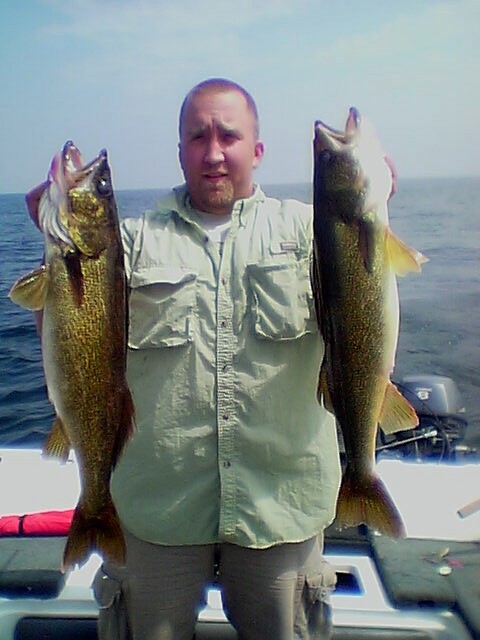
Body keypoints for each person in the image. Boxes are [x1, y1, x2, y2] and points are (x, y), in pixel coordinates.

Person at [93, 78, 341, 640]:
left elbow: (363, 298)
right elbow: (70, 340)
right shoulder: (126, 242)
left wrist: (370, 211)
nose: (212, 153)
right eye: (197, 137)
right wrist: (55, 245)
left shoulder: (312, 232)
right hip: (155, 507)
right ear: (179, 150)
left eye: (229, 136)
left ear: (258, 149)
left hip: (281, 504)